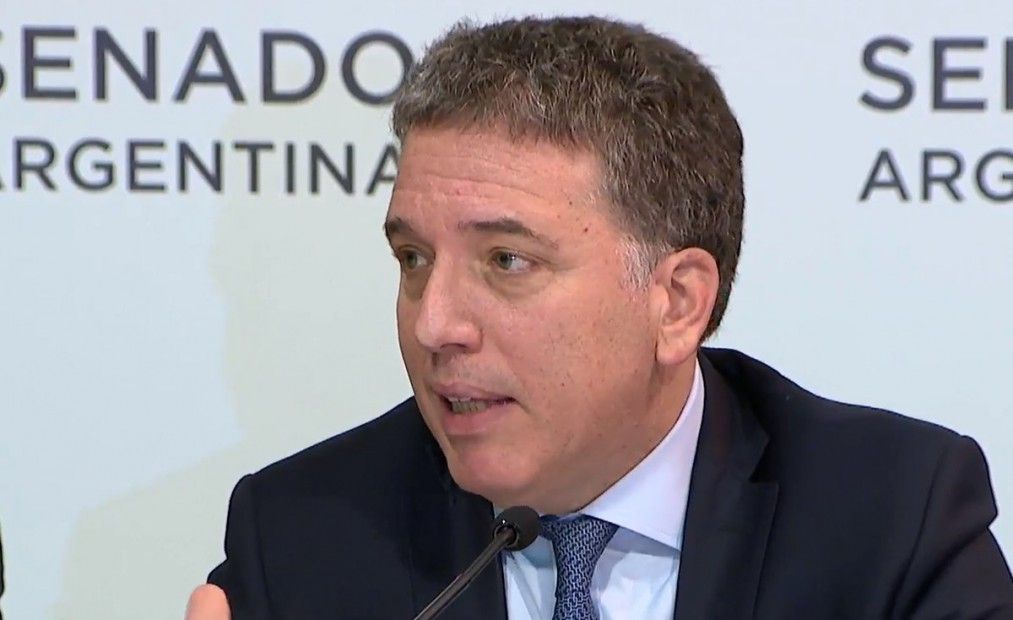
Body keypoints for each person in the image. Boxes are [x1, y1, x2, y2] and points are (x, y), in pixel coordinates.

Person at [187, 15, 1013, 620]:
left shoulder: (888, 519)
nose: (434, 324)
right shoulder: (305, 534)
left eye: (506, 261)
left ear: (676, 302)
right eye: (412, 258)